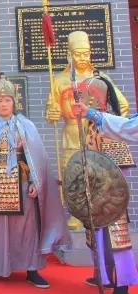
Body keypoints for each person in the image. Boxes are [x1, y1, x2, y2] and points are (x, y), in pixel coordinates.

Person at [0, 74, 69, 288]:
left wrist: (35, 182)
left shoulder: (26, 125)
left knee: (27, 229)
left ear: (14, 102)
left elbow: (38, 159)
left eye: (7, 100)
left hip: (22, 184)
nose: (3, 104)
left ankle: (32, 270)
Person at [45, 31, 129, 229]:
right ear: (69, 54)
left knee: (98, 175)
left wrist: (109, 126)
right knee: (74, 175)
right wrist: (52, 113)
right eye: (78, 54)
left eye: (86, 53)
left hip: (95, 136)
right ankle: (78, 215)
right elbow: (51, 110)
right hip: (72, 134)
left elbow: (122, 106)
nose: (83, 58)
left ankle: (100, 213)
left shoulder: (100, 79)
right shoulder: (60, 80)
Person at [72, 101, 138, 294]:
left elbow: (119, 171)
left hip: (110, 197)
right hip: (95, 194)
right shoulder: (93, 125)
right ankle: (105, 277)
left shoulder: (113, 129)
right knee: (98, 238)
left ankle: (122, 286)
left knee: (117, 240)